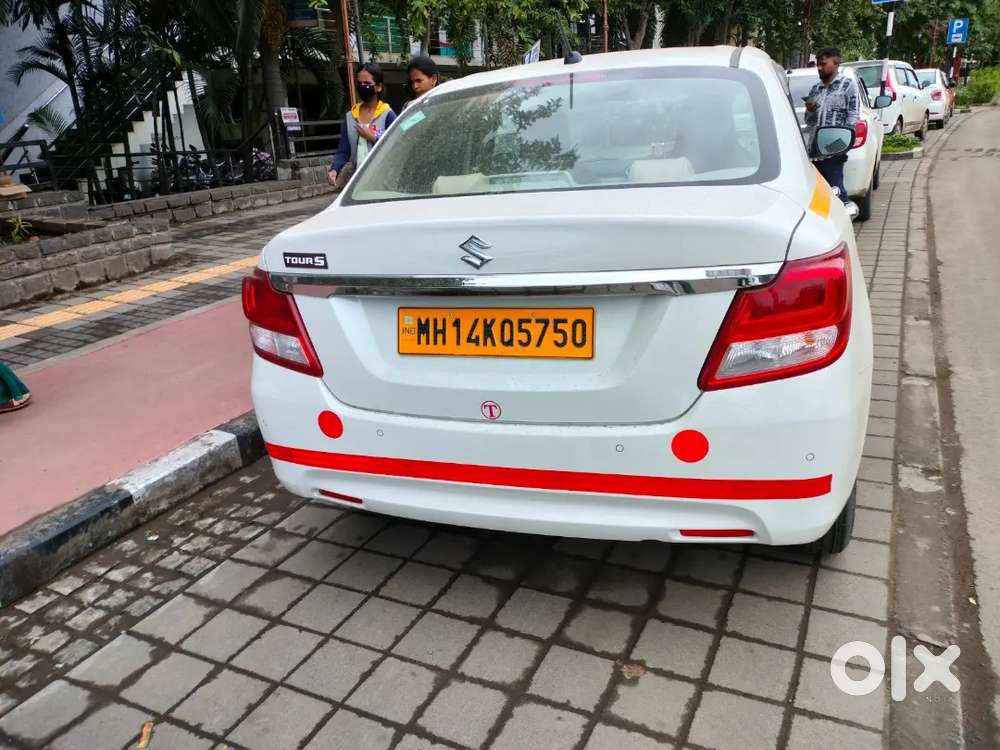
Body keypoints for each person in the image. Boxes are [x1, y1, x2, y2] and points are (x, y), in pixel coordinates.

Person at [326, 63, 397, 189]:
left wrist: (373, 138)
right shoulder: (350, 117)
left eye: (367, 83)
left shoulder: (388, 115)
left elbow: (396, 147)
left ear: (378, 87)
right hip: (358, 181)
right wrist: (334, 169)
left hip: (384, 181)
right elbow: (344, 150)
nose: (363, 87)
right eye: (359, 83)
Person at [804, 46, 860, 204]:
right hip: (814, 151)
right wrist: (810, 110)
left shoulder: (848, 86)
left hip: (834, 151)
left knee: (836, 192)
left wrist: (842, 144)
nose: (819, 68)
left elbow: (853, 115)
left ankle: (845, 213)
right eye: (818, 64)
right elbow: (809, 121)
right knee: (817, 195)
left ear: (836, 63)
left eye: (823, 64)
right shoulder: (815, 89)